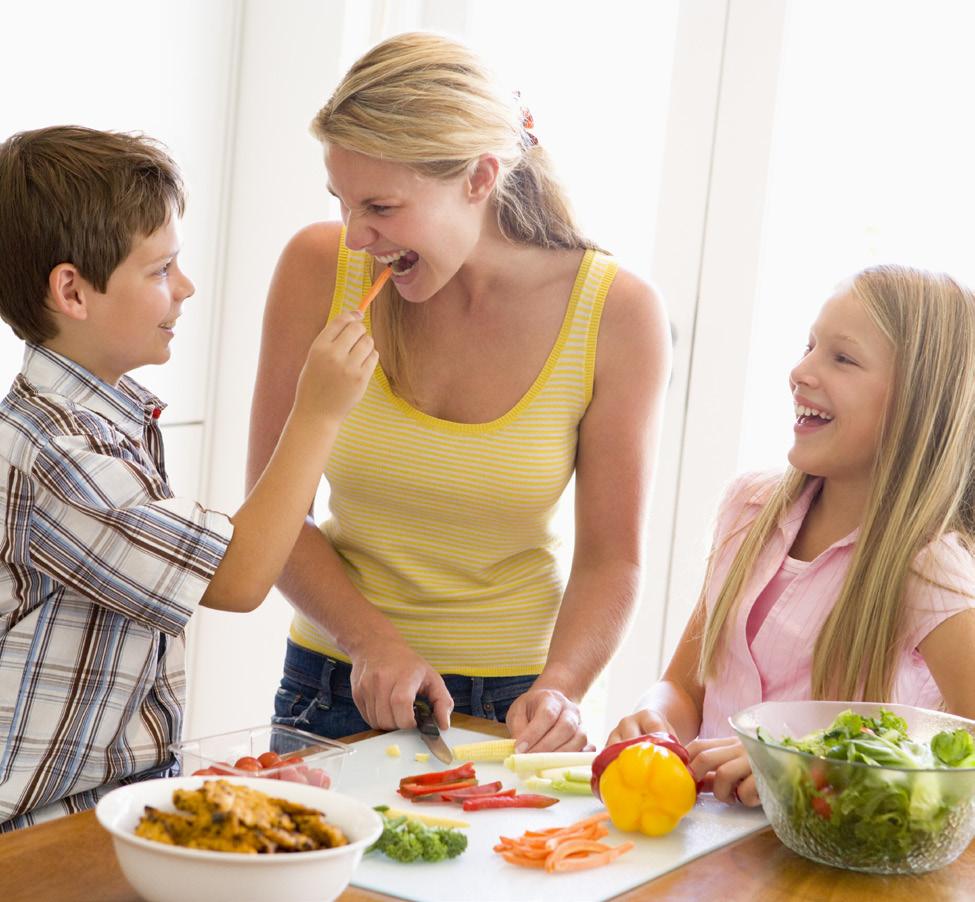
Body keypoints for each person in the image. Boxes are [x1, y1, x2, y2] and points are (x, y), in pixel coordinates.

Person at [247, 32, 672, 752]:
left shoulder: (617, 315)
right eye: (341, 202)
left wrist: (562, 688)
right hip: (332, 683)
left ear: (479, 178)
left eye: (380, 206)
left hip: (512, 709)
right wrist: (370, 642)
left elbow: (611, 558)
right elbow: (272, 511)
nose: (355, 237)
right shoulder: (316, 269)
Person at [0, 125, 377, 830]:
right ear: (72, 292)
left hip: (100, 813)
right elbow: (236, 579)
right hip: (35, 838)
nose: (187, 287)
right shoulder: (56, 454)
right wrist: (317, 413)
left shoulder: (99, 423)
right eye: (160, 270)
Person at [608, 264, 975, 806]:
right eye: (809, 346)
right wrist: (656, 714)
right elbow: (687, 685)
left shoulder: (929, 564)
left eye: (842, 357)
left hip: (821, 871)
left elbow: (958, 760)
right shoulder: (749, 509)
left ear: (918, 401)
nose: (800, 370)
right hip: (706, 847)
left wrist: (811, 767)